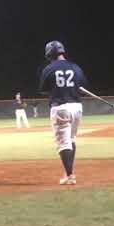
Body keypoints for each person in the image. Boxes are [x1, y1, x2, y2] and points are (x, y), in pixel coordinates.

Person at [38, 41, 89, 185]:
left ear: (49, 54)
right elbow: (82, 87)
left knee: (63, 143)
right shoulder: (75, 67)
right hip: (77, 107)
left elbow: (43, 89)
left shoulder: (48, 69)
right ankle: (69, 173)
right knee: (71, 139)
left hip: (60, 107)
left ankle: (70, 175)